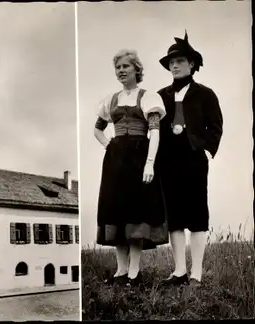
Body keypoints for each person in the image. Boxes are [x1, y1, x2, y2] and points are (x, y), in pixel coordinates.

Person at [95, 49, 169, 287]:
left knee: (136, 212)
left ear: (137, 69)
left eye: (126, 66)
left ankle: (135, 272)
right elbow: (97, 129)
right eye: (118, 67)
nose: (121, 71)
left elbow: (155, 132)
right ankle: (121, 270)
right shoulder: (110, 100)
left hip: (139, 159)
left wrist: (150, 163)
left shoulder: (149, 97)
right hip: (115, 163)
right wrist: (110, 146)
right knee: (116, 211)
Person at [156, 31, 223, 287]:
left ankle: (196, 273)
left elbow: (215, 126)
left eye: (180, 61)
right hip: (168, 162)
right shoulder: (160, 95)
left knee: (196, 215)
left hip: (194, 160)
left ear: (192, 64)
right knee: (174, 216)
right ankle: (179, 271)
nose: (174, 65)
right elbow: (154, 128)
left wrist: (205, 150)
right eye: (171, 62)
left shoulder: (206, 94)